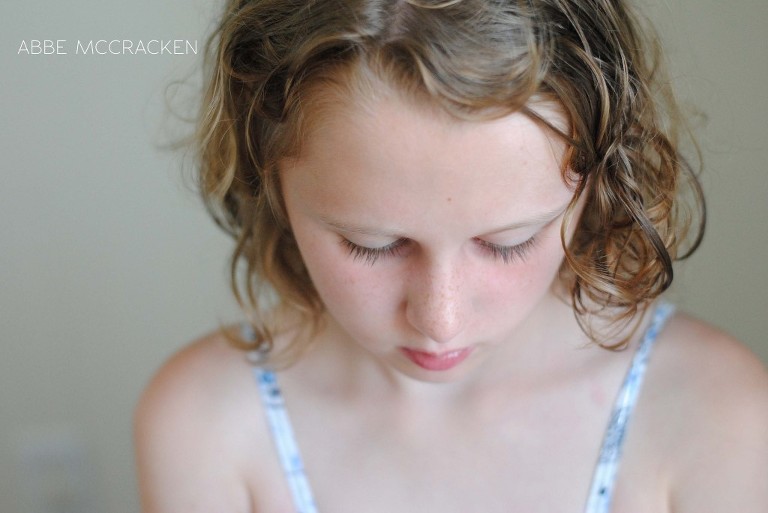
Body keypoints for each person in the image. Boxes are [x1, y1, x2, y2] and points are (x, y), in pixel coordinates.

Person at [134, 1, 768, 511]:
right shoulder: (206, 426)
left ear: (598, 183)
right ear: (269, 182)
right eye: (372, 244)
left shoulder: (715, 416)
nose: (442, 320)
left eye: (508, 242)